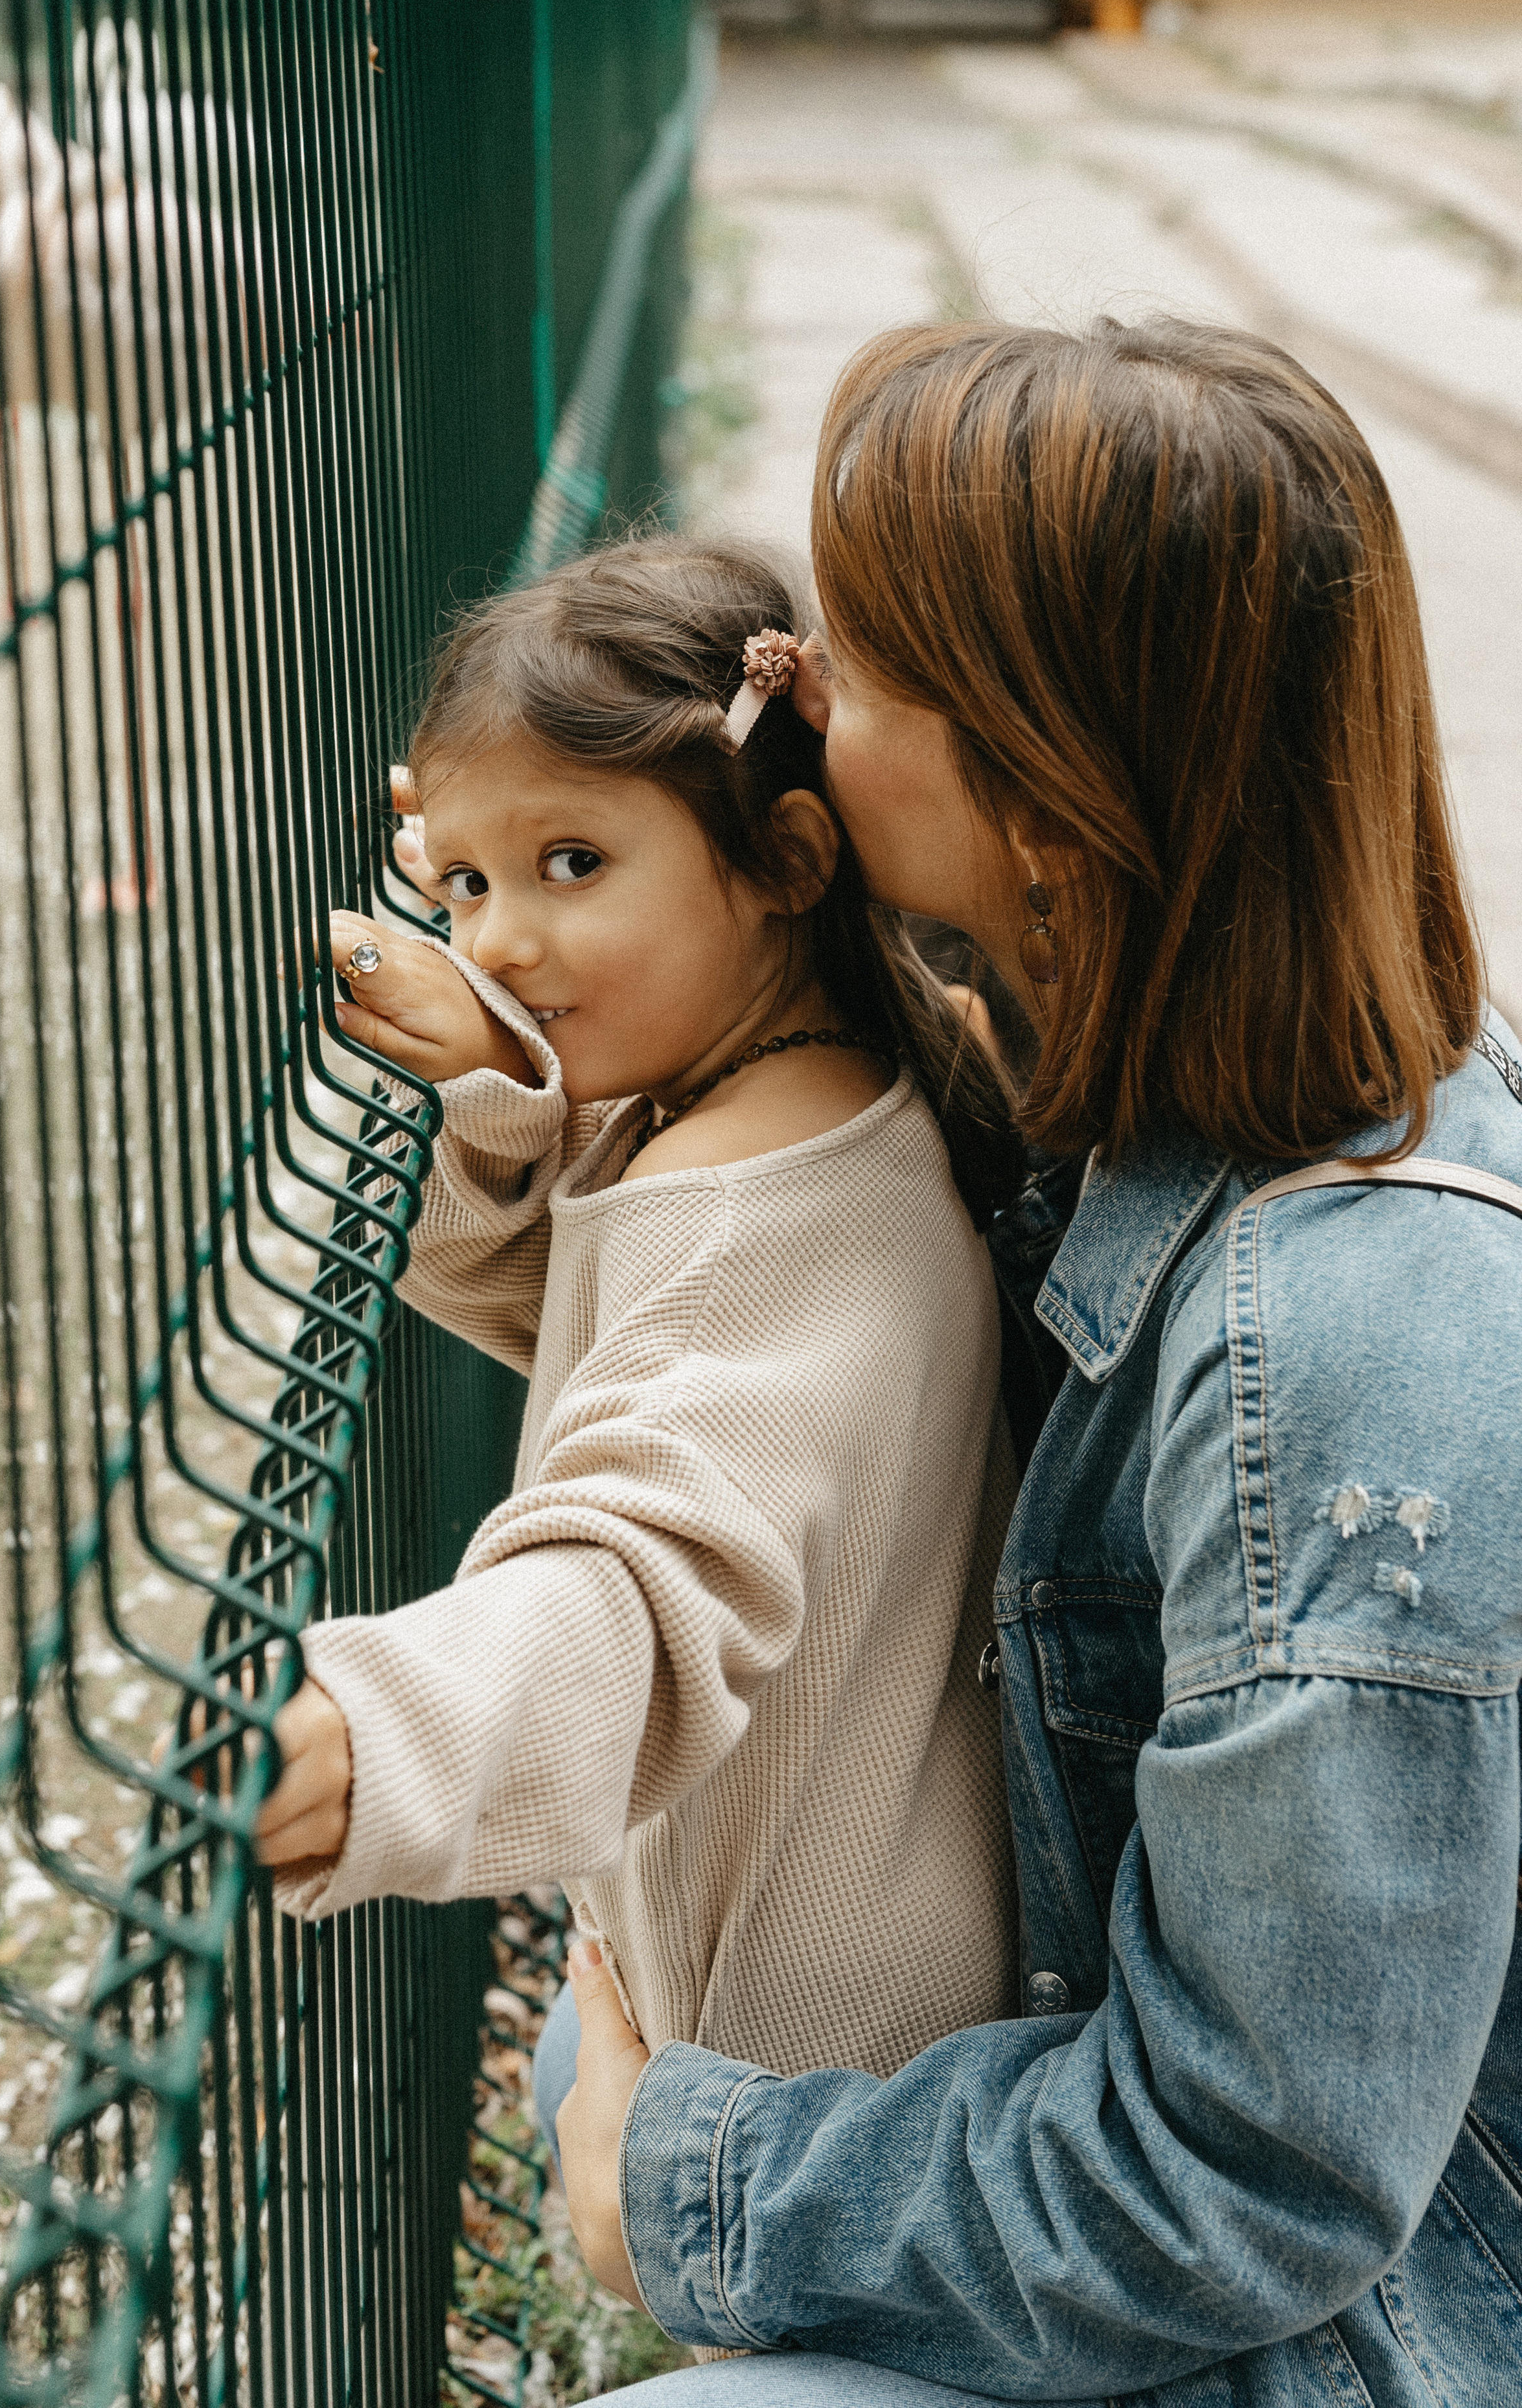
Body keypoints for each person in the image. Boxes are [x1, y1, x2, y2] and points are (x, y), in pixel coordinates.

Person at [552, 320, 1522, 2406]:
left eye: (864, 662)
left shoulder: (1336, 1354)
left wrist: (704, 2183)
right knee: (601, 2041)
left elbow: (1252, 2178)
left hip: (1368, 2339)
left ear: (1052, 811)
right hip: (1239, 2203)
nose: (791, 685)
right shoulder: (1148, 1057)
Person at [254, 536, 1032, 2110]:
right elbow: (590, 1332)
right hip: (861, 1993)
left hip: (804, 2088)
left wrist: (363, 1735)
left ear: (787, 863)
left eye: (573, 865)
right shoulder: (808, 1100)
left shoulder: (749, 1212)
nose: (494, 943)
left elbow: (638, 1575)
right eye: (465, 884)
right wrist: (507, 1082)